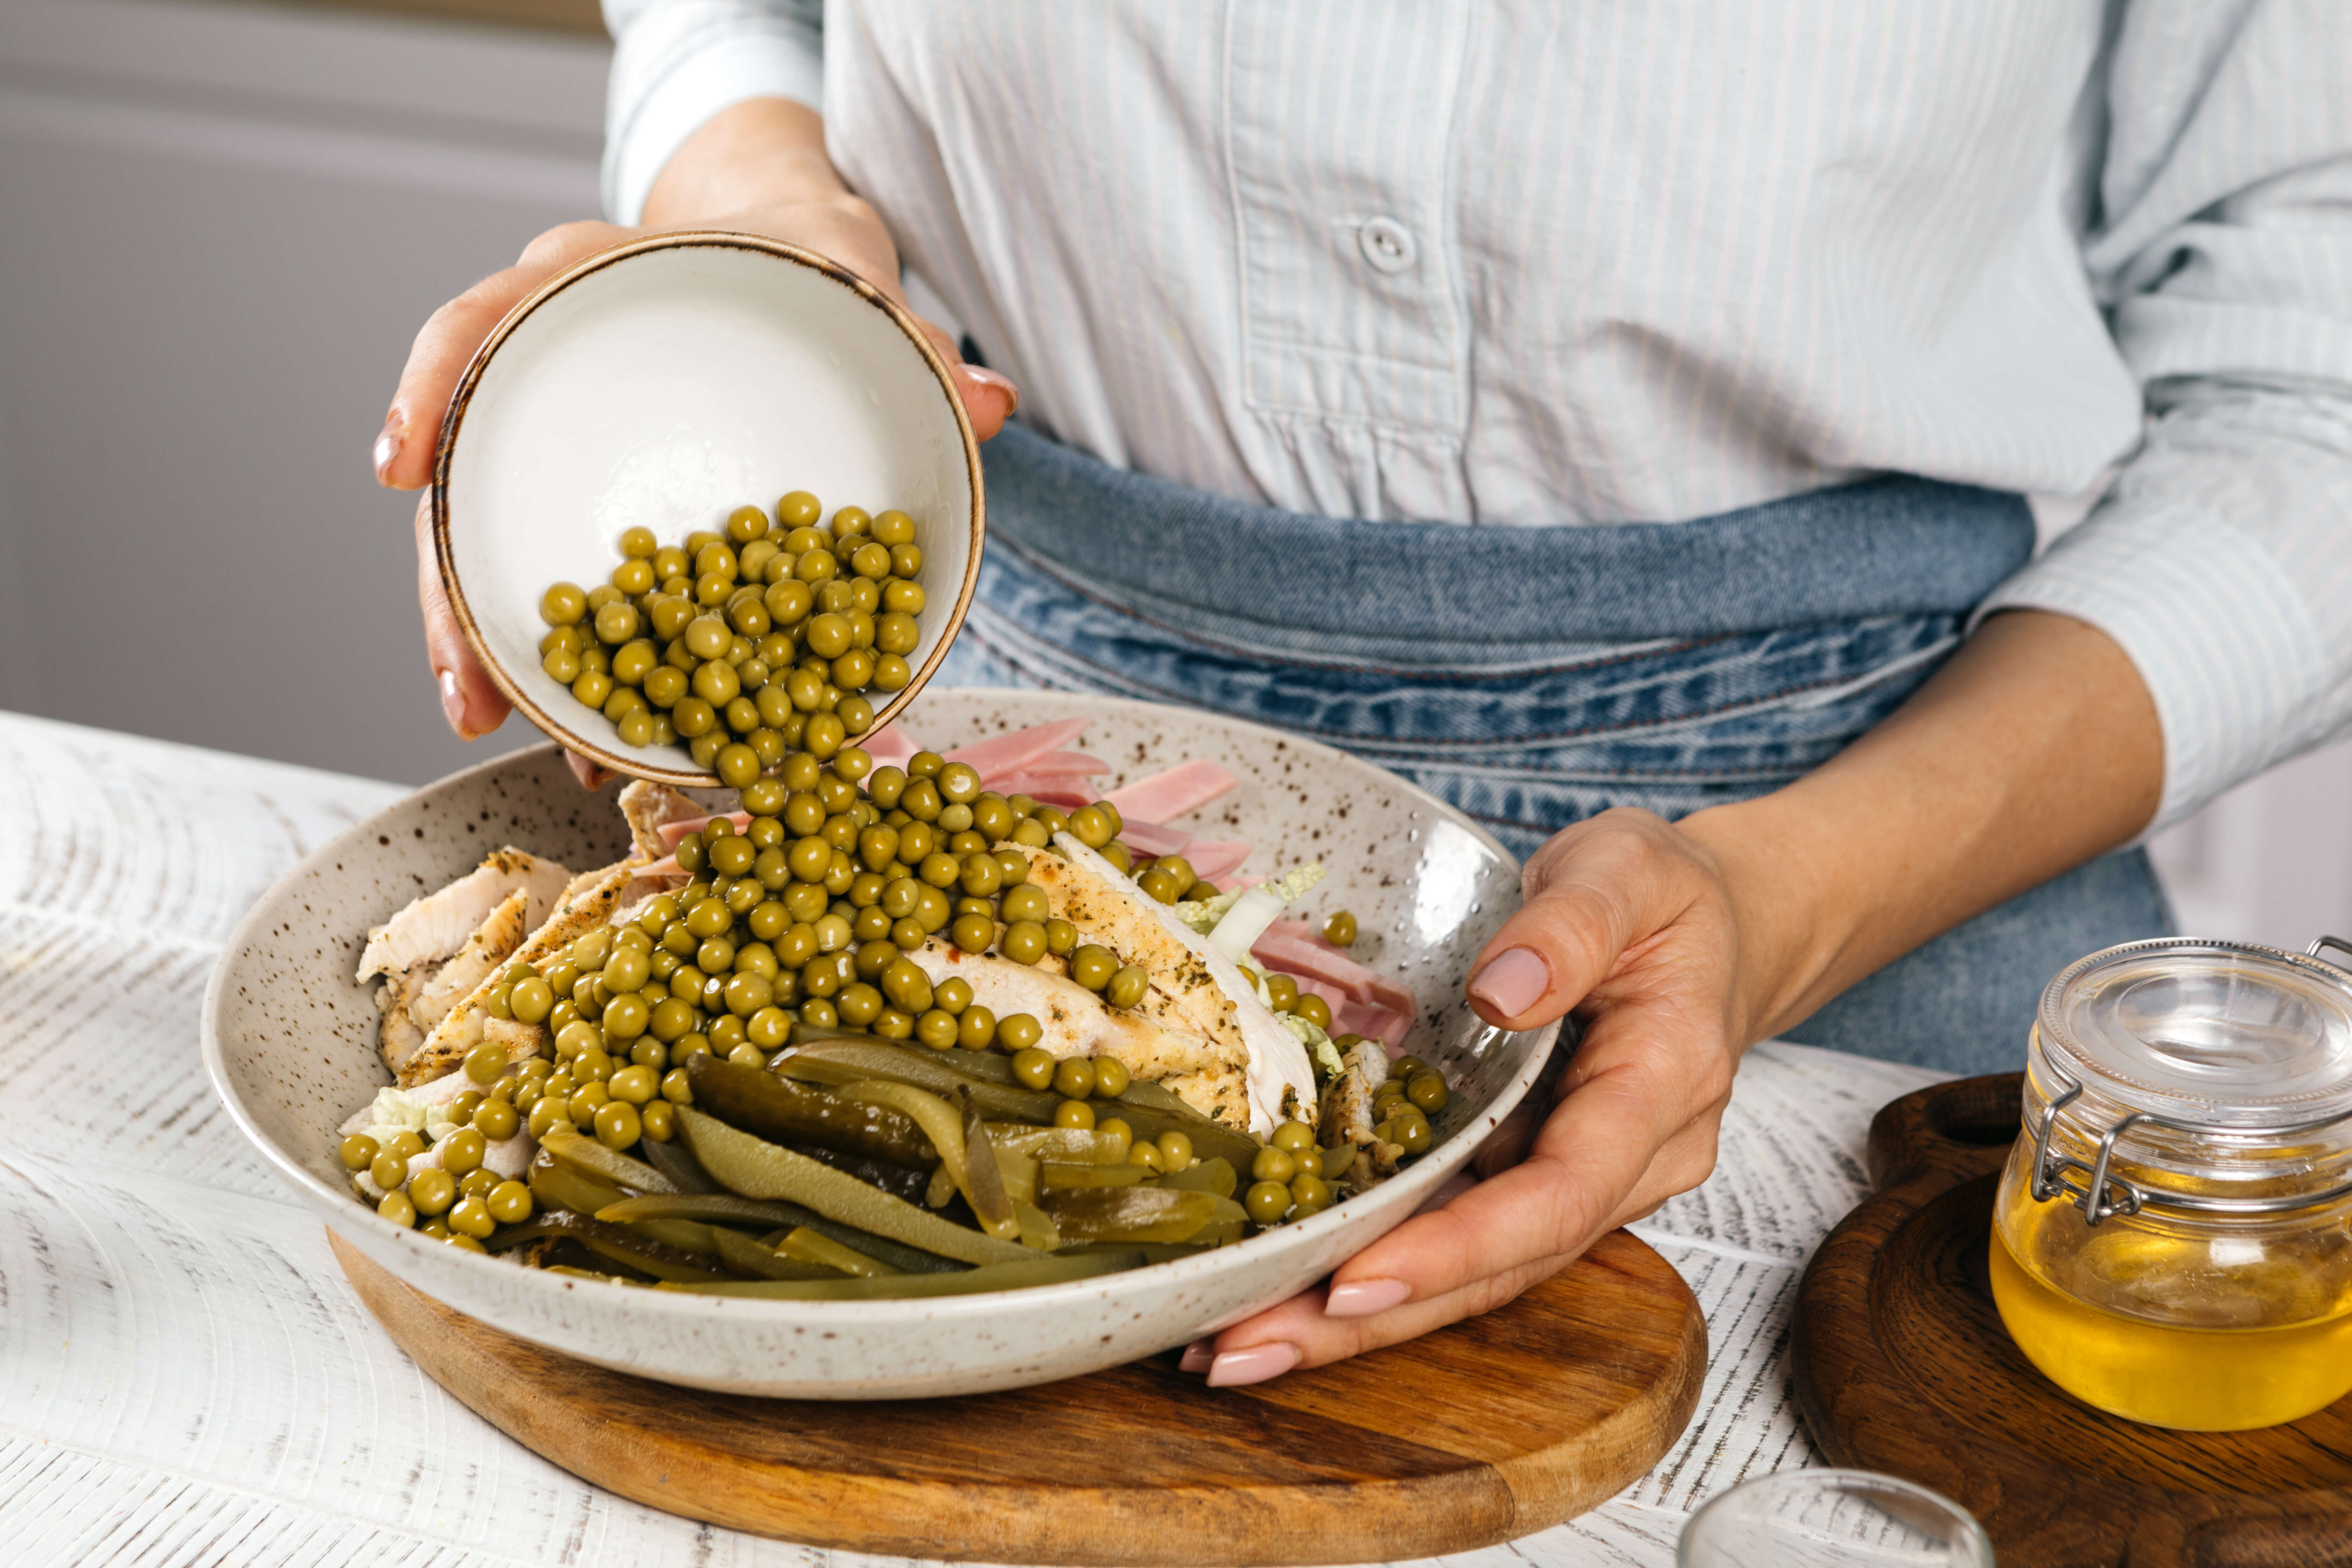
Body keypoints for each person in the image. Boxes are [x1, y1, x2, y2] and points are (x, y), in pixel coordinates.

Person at [376, 3, 2352, 1386]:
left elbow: (2311, 388)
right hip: (971, 770)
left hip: (1883, 846)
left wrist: (1782, 902)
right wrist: (760, 224)